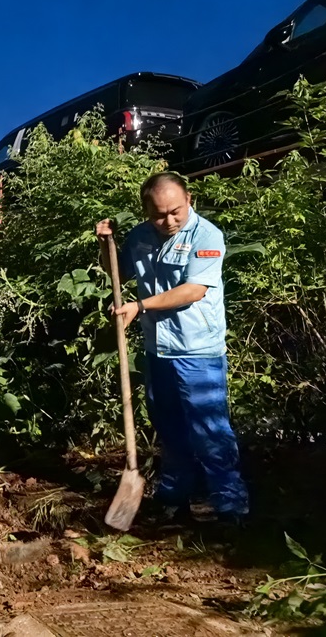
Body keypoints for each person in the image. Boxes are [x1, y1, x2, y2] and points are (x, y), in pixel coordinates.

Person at [95, 172, 248, 524]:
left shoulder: (206, 236)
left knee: (209, 428)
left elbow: (193, 290)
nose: (168, 220)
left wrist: (140, 306)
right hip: (158, 348)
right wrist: (106, 244)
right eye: (159, 214)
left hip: (199, 351)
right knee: (169, 426)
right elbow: (116, 270)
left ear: (189, 199)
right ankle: (174, 498)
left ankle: (229, 504)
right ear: (147, 210)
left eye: (175, 211)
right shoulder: (140, 236)